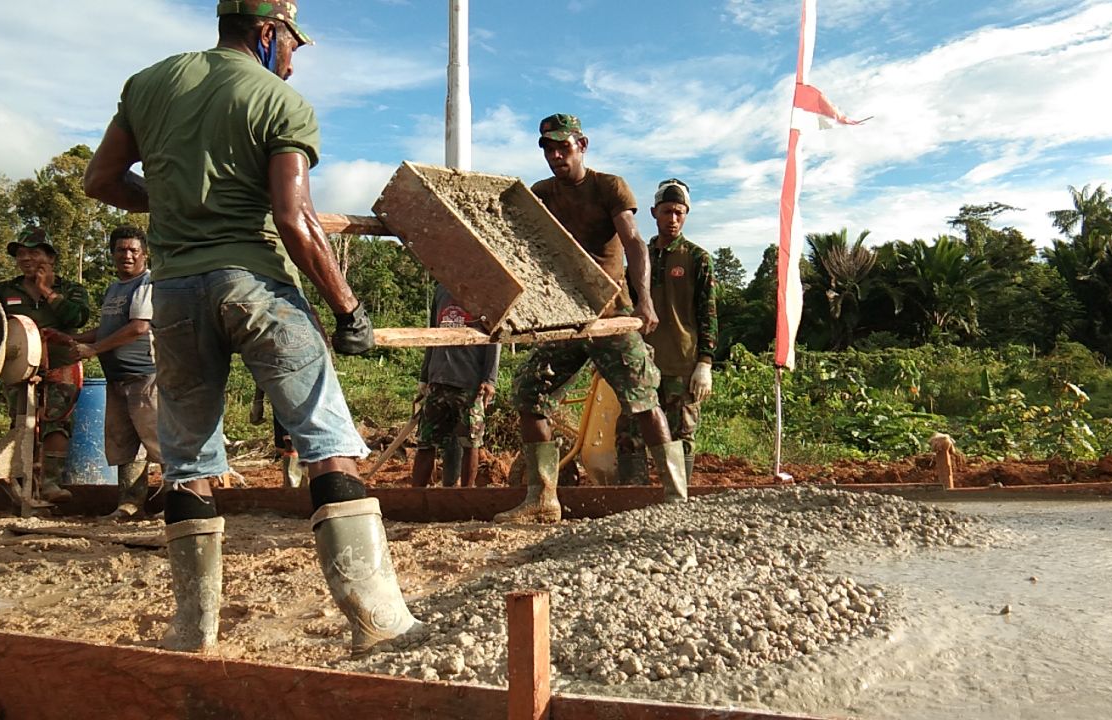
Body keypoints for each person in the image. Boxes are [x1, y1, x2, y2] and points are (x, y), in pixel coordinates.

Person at [83, 0, 420, 655]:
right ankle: (378, 623)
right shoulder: (277, 102)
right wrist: (349, 308)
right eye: (293, 46)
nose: (293, 63)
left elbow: (101, 179)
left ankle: (193, 632)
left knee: (186, 463)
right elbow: (295, 222)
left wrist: (176, 198)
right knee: (328, 442)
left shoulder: (148, 84)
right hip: (255, 285)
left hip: (174, 293)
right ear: (268, 33)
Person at [497, 113, 690, 524]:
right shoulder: (542, 193)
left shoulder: (608, 187)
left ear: (581, 145)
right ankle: (543, 499)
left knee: (643, 400)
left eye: (563, 147)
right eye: (548, 149)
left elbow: (634, 243)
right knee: (530, 394)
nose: (555, 156)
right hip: (565, 315)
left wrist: (644, 301)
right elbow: (518, 249)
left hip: (610, 313)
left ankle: (676, 498)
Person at [615, 179, 717, 484]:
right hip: (641, 362)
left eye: (679, 212)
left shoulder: (698, 259)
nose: (672, 219)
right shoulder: (639, 258)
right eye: (666, 212)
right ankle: (633, 498)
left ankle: (676, 504)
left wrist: (706, 362)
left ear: (686, 215)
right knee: (629, 434)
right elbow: (624, 306)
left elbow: (708, 312)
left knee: (680, 435)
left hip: (681, 364)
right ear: (653, 213)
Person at [0, 227, 91, 504]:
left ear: (50, 259)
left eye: (33, 253)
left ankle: (50, 484)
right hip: (19, 367)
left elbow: (78, 318)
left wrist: (47, 290)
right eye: (21, 254)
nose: (25, 259)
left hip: (60, 364)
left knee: (57, 422)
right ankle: (23, 484)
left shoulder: (70, 289)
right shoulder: (5, 290)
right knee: (21, 423)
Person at [68, 226, 162, 520]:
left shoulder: (146, 284)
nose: (128, 255)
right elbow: (108, 328)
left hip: (145, 376)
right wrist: (76, 338)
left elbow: (139, 327)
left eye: (134, 250)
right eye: (121, 250)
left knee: (160, 441)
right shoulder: (113, 289)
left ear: (145, 254)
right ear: (112, 254)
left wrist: (94, 350)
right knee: (124, 444)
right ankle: (130, 505)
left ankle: (180, 503)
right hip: (117, 379)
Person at [411, 285, 500, 488]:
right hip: (438, 380)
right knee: (425, 442)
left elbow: (496, 336)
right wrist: (424, 377)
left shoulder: (486, 293)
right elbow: (433, 334)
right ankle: (416, 496)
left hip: (470, 383)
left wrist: (489, 380)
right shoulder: (441, 290)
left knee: (470, 441)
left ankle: (465, 494)